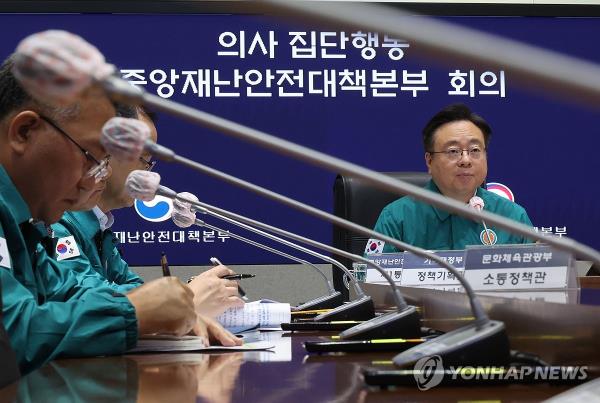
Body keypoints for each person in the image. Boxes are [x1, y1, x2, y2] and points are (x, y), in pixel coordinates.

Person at [0, 55, 200, 374]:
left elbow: (66, 290)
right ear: (24, 131)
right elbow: (9, 337)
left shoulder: (26, 222)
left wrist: (164, 303)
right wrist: (134, 311)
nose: (94, 179)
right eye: (90, 156)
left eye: (104, 164)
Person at [50, 105, 243, 326]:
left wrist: (185, 295)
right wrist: (186, 298)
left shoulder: (99, 228)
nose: (148, 173)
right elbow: (82, 298)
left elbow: (134, 290)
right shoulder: (57, 221)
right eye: (143, 159)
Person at [368, 103, 532, 254]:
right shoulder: (397, 217)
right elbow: (369, 280)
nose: (466, 160)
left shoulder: (512, 216)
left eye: (475, 150)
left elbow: (537, 278)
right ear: (429, 161)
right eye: (453, 151)